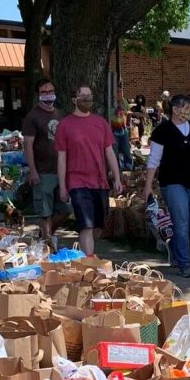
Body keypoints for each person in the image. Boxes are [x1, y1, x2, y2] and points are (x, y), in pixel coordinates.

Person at [142, 94, 190, 279]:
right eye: (184, 108)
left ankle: (174, 247)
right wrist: (148, 185)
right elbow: (153, 160)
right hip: (172, 181)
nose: (187, 111)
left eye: (189, 108)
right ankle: (184, 264)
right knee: (181, 220)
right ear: (175, 109)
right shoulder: (163, 130)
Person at [55, 84, 122, 256]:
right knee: (86, 224)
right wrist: (63, 186)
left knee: (98, 227)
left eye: (89, 95)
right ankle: (89, 261)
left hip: (99, 181)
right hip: (77, 182)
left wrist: (117, 177)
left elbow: (109, 152)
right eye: (82, 95)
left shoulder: (100, 123)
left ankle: (84, 254)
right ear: (74, 100)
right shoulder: (65, 125)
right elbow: (62, 158)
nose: (86, 98)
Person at [23, 76, 69, 243]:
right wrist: (33, 171)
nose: (48, 95)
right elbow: (28, 144)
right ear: (38, 94)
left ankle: (45, 237)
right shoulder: (32, 116)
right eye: (44, 92)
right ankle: (47, 244)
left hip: (62, 171)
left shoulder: (61, 114)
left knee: (66, 209)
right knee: (45, 212)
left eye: (50, 91)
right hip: (43, 171)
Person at [110, 83, 133, 171]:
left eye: (121, 91)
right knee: (115, 151)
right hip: (113, 131)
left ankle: (128, 167)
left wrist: (128, 123)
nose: (120, 93)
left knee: (127, 149)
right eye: (118, 91)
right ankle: (116, 169)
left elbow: (128, 111)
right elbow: (117, 112)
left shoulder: (124, 101)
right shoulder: (112, 102)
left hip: (123, 130)